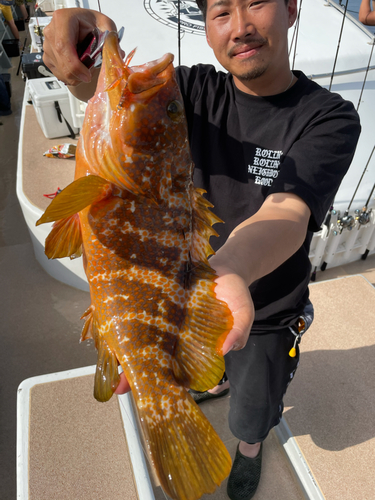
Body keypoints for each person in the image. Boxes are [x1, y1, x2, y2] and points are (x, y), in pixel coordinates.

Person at [42, 1, 361, 499]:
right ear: (207, 29)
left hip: (268, 313)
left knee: (253, 408)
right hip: (179, 301)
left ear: (291, 9)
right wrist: (75, 34)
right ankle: (207, 380)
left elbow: (288, 211)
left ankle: (250, 450)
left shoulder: (330, 117)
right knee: (208, 374)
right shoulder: (189, 92)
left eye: (256, 2)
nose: (240, 27)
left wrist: (229, 268)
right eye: (220, 13)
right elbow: (95, 86)